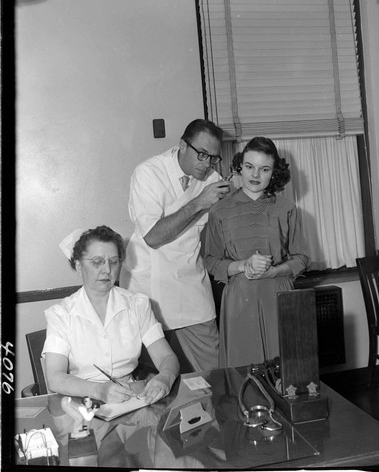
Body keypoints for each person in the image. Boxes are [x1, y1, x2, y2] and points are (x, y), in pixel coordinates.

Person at [119, 119, 231, 373]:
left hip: (190, 286)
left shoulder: (214, 179)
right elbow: (153, 237)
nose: (207, 164)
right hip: (149, 286)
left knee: (215, 373)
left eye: (213, 158)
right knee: (151, 378)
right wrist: (200, 202)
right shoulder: (149, 173)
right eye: (202, 155)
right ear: (182, 145)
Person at [42, 225, 179, 405]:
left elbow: (167, 357)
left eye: (113, 262)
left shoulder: (137, 304)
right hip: (81, 403)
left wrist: (165, 378)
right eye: (97, 262)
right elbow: (55, 377)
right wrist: (98, 390)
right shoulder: (61, 314)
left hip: (130, 399)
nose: (107, 270)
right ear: (78, 265)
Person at [204, 137, 310, 368]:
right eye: (250, 166)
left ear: (274, 173)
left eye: (264, 169)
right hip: (240, 300)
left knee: (286, 374)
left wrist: (273, 272)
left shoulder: (287, 209)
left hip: (278, 295)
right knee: (243, 375)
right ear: (240, 166)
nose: (255, 175)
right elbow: (211, 261)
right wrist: (243, 265)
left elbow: (301, 258)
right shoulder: (220, 210)